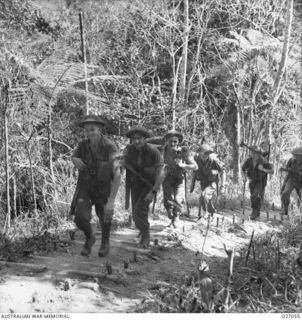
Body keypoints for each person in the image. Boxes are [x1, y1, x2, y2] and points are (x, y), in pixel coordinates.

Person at [70, 115, 121, 257]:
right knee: (79, 218)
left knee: (105, 216)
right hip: (86, 185)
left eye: (92, 130)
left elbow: (117, 175)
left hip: (103, 187)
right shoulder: (82, 145)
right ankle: (90, 237)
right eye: (86, 130)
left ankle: (105, 242)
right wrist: (75, 159)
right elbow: (74, 156)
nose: (89, 133)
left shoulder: (110, 147)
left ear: (99, 129)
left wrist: (111, 201)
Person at [123, 125, 165, 248]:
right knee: (140, 212)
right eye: (134, 139)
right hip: (134, 186)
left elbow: (161, 174)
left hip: (148, 186)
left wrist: (153, 192)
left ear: (144, 138)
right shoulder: (129, 150)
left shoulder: (153, 152)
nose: (136, 141)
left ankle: (146, 236)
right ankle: (143, 232)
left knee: (137, 213)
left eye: (139, 138)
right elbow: (122, 162)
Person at [161, 130, 197, 227]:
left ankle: (176, 218)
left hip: (179, 179)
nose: (172, 143)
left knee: (177, 199)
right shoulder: (162, 151)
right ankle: (171, 217)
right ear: (167, 141)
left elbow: (195, 166)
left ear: (178, 142)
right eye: (170, 141)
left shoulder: (183, 152)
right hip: (167, 178)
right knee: (168, 200)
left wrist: (182, 165)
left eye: (175, 142)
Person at [193, 144, 226, 219]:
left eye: (206, 154)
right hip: (203, 181)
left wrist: (223, 186)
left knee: (203, 195)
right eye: (203, 153)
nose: (204, 155)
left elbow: (223, 172)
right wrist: (192, 184)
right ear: (200, 153)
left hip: (213, 181)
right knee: (207, 197)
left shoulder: (214, 160)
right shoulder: (197, 158)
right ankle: (212, 212)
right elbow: (194, 170)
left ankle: (203, 215)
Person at [242, 145, 274, 220]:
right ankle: (257, 211)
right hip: (252, 181)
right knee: (253, 196)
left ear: (259, 154)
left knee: (255, 195)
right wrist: (244, 177)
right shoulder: (249, 160)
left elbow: (272, 171)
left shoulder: (263, 161)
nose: (254, 155)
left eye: (256, 153)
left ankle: (254, 211)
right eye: (253, 153)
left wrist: (263, 169)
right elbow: (243, 169)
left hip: (260, 182)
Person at [280, 147, 302, 215]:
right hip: (291, 179)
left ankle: (299, 211)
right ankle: (285, 209)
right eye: (294, 155)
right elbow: (287, 169)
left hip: (300, 181)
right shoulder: (291, 160)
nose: (295, 156)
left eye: (297, 155)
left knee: (300, 195)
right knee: (285, 192)